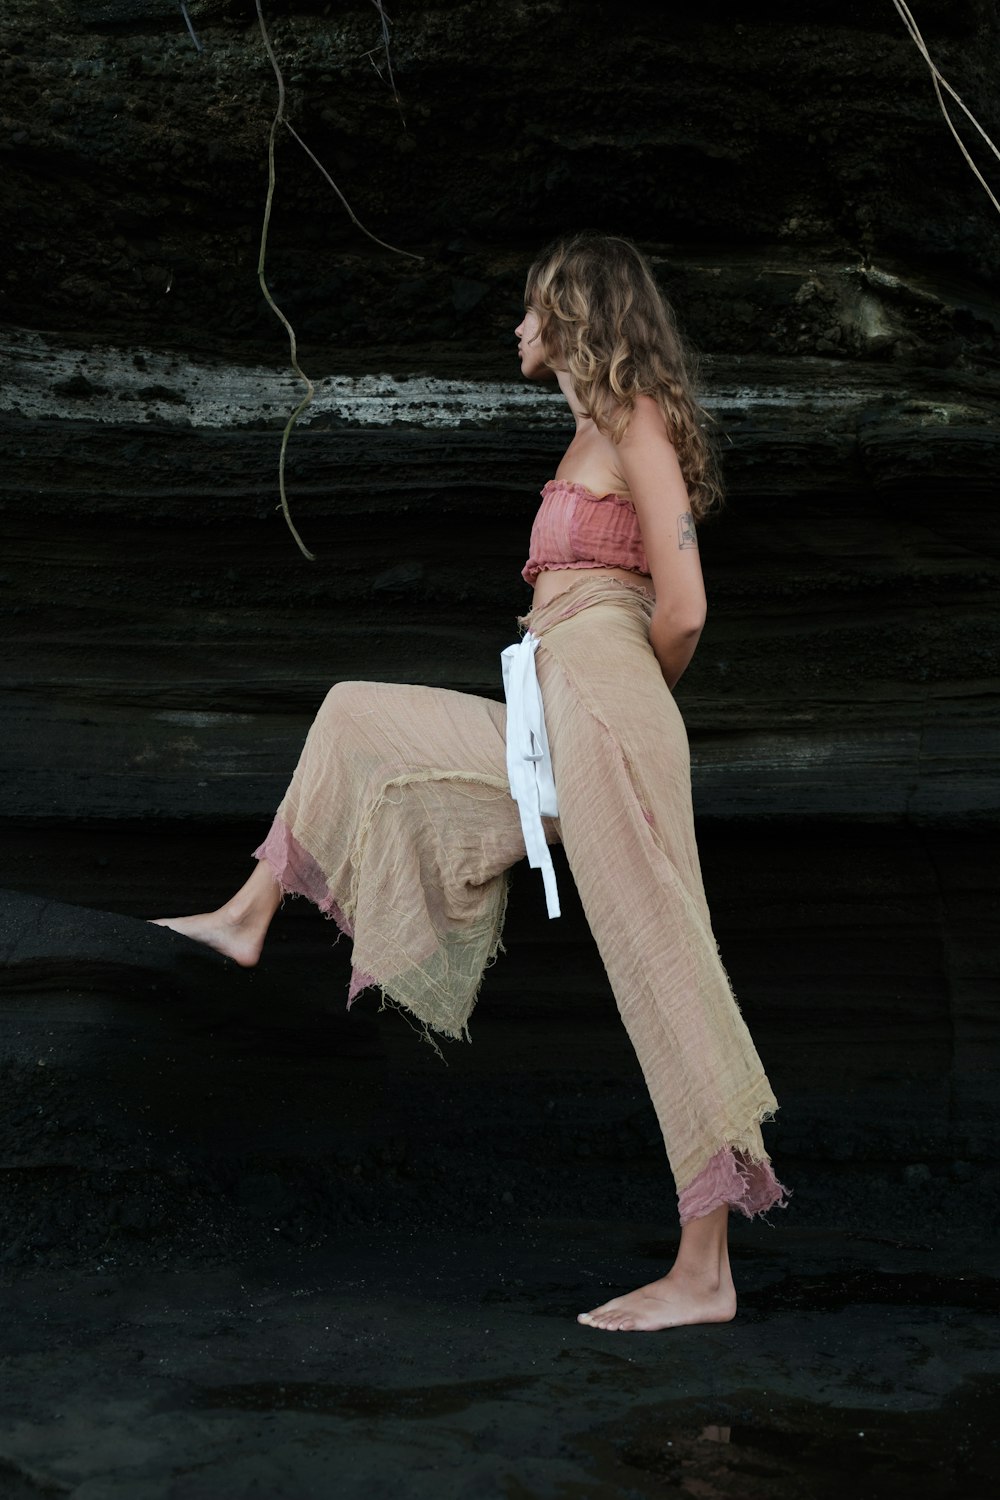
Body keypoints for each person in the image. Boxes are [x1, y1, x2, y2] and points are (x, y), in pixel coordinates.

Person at [153, 232, 786, 1332]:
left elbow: (680, 607)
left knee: (664, 966)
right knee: (357, 713)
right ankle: (252, 912)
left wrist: (622, 708)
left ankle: (705, 1272)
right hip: (552, 713)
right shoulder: (589, 428)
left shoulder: (636, 420)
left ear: (581, 315)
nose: (518, 326)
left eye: (536, 307)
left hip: (610, 707)